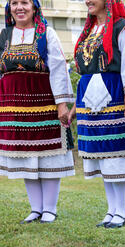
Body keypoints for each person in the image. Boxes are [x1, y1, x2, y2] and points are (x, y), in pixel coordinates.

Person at [0, 0, 75, 224]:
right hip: (13, 107)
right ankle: (35, 209)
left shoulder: (46, 34)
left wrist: (62, 103)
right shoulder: (4, 35)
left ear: (34, 8)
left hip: (44, 103)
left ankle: (49, 209)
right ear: (9, 8)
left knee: (48, 155)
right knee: (24, 155)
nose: (19, 7)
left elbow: (59, 67)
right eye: (14, 3)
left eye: (24, 2)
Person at [69, 0, 125, 229]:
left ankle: (122, 210)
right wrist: (74, 106)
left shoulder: (122, 27)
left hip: (114, 95)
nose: (88, 1)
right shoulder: (89, 30)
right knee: (101, 154)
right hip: (88, 98)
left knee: (115, 153)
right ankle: (111, 209)